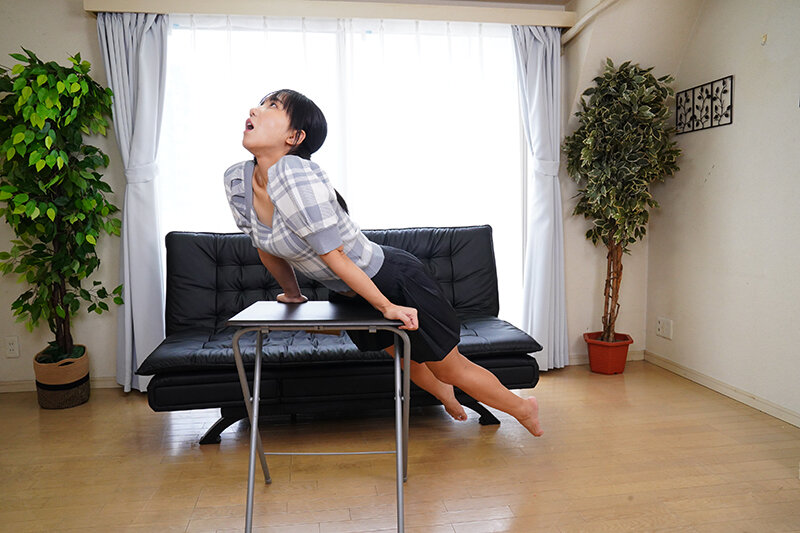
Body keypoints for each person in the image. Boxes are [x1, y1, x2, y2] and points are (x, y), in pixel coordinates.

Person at [224, 89, 542, 437]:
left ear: (295, 137)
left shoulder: (294, 173)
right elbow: (264, 245)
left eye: (272, 106)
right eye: (261, 103)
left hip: (390, 279)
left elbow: (335, 255)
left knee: (448, 366)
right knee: (404, 358)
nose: (255, 109)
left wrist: (387, 305)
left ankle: (523, 408)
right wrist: (292, 294)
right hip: (350, 291)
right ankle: (446, 396)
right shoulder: (239, 180)